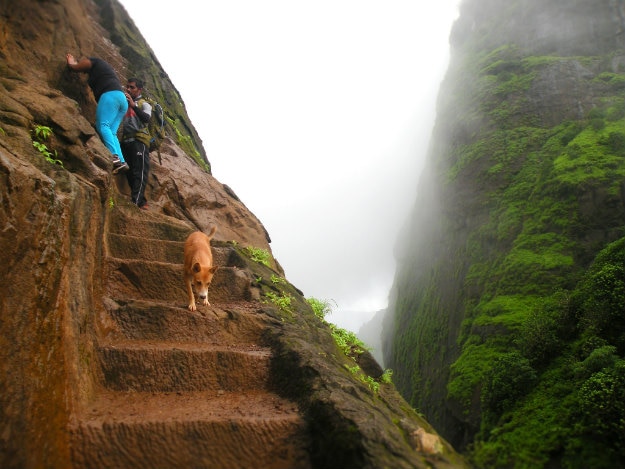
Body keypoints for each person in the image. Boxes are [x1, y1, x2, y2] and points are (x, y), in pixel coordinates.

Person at [65, 53, 129, 174]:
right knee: (112, 131)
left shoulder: (94, 61)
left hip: (110, 95)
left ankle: (114, 157)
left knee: (103, 125)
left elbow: (84, 64)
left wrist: (72, 64)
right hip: (122, 99)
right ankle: (122, 161)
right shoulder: (105, 71)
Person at [121, 78, 152, 210]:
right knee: (128, 171)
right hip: (126, 141)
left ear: (139, 90)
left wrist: (133, 105)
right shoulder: (125, 102)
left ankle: (135, 203)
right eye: (127, 87)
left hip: (139, 141)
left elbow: (146, 119)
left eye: (132, 87)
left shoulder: (145, 104)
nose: (128, 89)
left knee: (139, 172)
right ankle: (142, 201)